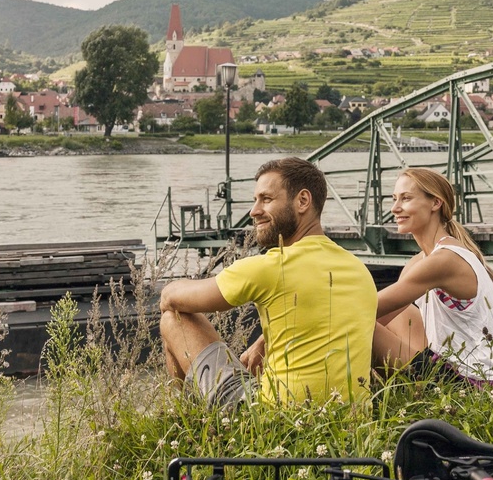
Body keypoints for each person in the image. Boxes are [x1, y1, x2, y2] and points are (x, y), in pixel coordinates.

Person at [159, 157, 377, 406]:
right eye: (255, 200)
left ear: (303, 201)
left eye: (266, 199)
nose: (254, 211)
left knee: (173, 317)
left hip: (273, 422)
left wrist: (170, 288)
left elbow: (170, 298)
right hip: (346, 423)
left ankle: (190, 419)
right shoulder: (358, 269)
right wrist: (264, 340)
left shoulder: (271, 267)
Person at [372, 168, 493, 384]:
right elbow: (381, 313)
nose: (395, 208)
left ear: (436, 203)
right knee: (398, 313)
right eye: (395, 199)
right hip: (458, 365)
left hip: (480, 382)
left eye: (406, 199)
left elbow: (367, 310)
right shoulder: (421, 260)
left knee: (360, 326)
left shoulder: (444, 260)